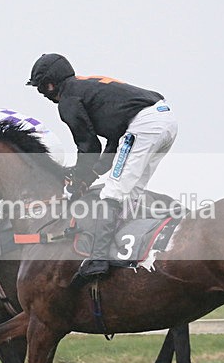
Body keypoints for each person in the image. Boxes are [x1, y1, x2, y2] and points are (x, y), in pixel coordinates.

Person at [26, 54, 177, 281]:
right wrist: (91, 175)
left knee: (113, 192)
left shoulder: (68, 98)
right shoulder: (86, 88)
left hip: (144, 125)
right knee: (131, 192)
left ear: (49, 84)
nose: (43, 95)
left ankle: (98, 258)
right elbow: (113, 143)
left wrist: (78, 179)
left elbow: (88, 145)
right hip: (165, 121)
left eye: (41, 88)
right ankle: (132, 248)